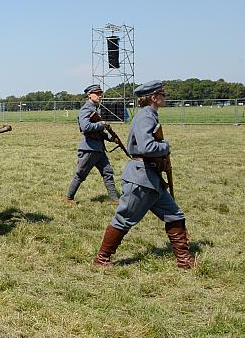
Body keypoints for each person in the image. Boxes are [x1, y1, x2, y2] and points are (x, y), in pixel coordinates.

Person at [93, 80, 195, 269]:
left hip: (152, 179)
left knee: (175, 215)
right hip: (141, 179)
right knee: (123, 219)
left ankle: (184, 260)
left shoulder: (149, 114)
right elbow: (147, 147)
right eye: (162, 94)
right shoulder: (146, 116)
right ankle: (102, 259)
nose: (164, 97)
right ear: (154, 97)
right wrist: (165, 146)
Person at [65, 84, 120, 205]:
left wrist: (112, 138)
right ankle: (69, 198)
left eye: (100, 94)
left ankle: (115, 199)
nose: (100, 96)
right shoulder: (86, 109)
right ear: (89, 95)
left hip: (98, 148)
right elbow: (86, 127)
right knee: (81, 174)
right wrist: (102, 124)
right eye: (97, 94)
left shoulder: (95, 109)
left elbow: (100, 133)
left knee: (108, 172)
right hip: (89, 149)